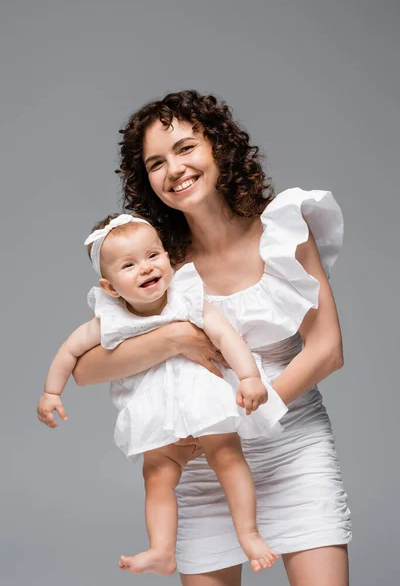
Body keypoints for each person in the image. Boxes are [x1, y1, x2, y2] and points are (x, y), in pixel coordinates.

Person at [73, 90, 352, 586]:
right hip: (204, 465)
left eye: (185, 148)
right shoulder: (158, 263)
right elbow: (86, 367)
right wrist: (176, 338)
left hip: (293, 447)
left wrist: (248, 418)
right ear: (146, 180)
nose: (173, 169)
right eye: (156, 162)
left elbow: (328, 350)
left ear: (219, 148)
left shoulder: (284, 229)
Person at [37, 212, 289, 574]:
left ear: (168, 259)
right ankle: (162, 550)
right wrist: (51, 392)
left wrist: (249, 377)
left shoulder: (185, 297)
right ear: (110, 287)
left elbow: (224, 336)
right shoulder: (108, 319)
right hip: (157, 414)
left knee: (228, 457)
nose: (146, 268)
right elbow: (69, 352)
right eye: (129, 265)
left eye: (153, 256)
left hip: (204, 399)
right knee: (156, 475)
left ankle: (249, 534)